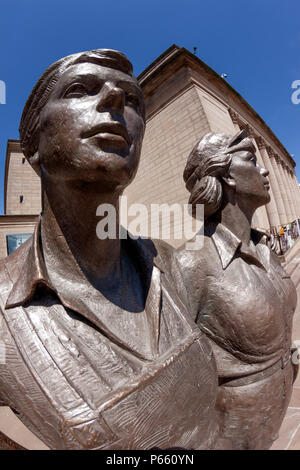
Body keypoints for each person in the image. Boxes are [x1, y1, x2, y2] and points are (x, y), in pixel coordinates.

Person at [0, 49, 221, 450]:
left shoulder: (174, 267)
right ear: (32, 148)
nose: (116, 101)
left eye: (133, 100)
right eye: (80, 89)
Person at [176, 129, 298, 450]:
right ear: (226, 177)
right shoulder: (192, 264)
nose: (264, 170)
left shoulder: (267, 250)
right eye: (251, 160)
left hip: (270, 428)